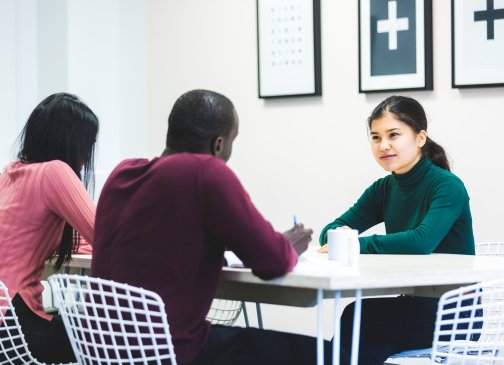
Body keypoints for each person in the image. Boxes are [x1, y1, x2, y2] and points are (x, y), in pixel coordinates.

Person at [91, 89, 339, 365]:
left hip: (103, 349)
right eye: (233, 141)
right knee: (327, 354)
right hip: (169, 352)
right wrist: (288, 244)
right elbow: (273, 261)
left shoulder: (122, 173)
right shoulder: (205, 170)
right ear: (218, 144)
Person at [318, 95, 475, 364]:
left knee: (359, 319)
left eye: (393, 135)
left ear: (420, 138)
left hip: (457, 315)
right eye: (376, 137)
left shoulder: (447, 186)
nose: (384, 145)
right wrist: (339, 237)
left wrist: (354, 243)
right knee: (362, 336)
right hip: (415, 307)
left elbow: (420, 242)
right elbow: (330, 231)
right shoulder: (384, 188)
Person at [0, 92, 99, 363]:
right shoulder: (54, 172)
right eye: (86, 146)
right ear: (74, 143)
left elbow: (26, 234)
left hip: (6, 323)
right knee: (106, 337)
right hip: (14, 326)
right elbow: (106, 235)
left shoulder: (10, 173)